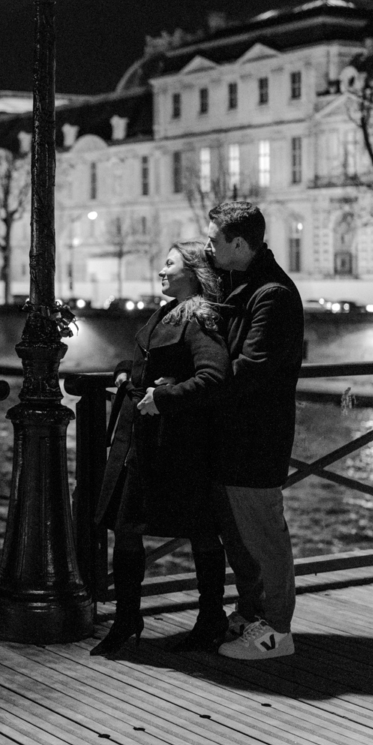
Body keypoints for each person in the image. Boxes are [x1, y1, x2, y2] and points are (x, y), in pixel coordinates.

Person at [90, 242, 232, 656]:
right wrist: (122, 373)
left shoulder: (201, 320)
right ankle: (128, 617)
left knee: (199, 529)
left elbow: (213, 377)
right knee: (126, 526)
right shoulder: (167, 313)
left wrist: (166, 398)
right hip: (142, 438)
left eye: (169, 264)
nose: (161, 271)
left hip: (177, 444)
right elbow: (149, 362)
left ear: (193, 272)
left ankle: (210, 618)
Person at [204, 200, 305, 660]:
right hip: (235, 435)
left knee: (264, 535)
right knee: (243, 536)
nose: (209, 245)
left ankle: (278, 632)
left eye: (215, 239)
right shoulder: (245, 285)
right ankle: (252, 613)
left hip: (257, 436)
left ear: (239, 244)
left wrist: (194, 388)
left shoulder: (272, 295)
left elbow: (251, 367)